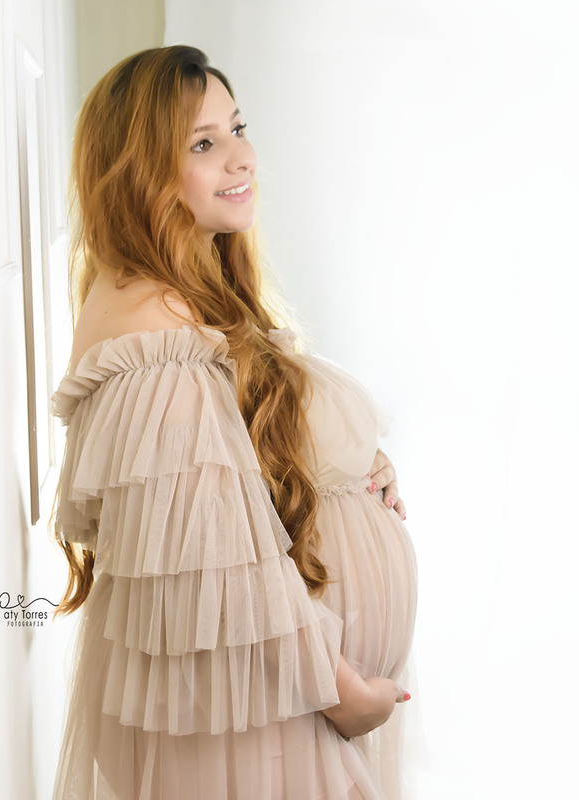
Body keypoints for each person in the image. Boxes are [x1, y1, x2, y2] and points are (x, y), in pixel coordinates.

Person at [48, 45, 420, 799]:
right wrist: (347, 695)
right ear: (140, 171)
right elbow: (224, 571)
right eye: (202, 143)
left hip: (271, 704)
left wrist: (352, 464)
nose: (241, 156)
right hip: (263, 710)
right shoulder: (155, 330)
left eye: (237, 127)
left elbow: (230, 483)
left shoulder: (180, 292)